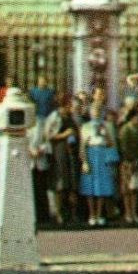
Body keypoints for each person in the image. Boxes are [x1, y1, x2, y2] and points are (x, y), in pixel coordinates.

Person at [79, 101, 119, 227]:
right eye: (94, 111)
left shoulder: (106, 125)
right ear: (90, 113)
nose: (96, 113)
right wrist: (84, 161)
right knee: (90, 185)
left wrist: (105, 134)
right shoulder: (85, 126)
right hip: (91, 153)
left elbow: (111, 144)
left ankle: (99, 214)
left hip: (102, 155)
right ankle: (91, 214)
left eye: (98, 111)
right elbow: (82, 145)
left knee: (102, 185)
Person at [43, 96, 80, 224]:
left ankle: (73, 213)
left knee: (72, 182)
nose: (70, 108)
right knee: (60, 182)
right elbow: (48, 135)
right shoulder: (54, 117)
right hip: (59, 150)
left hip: (71, 150)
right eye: (67, 106)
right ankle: (58, 214)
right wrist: (64, 135)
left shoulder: (71, 118)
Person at [117, 103, 138, 225]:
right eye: (137, 118)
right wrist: (130, 160)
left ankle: (134, 213)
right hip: (127, 162)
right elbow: (123, 147)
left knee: (135, 189)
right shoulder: (125, 129)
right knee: (127, 189)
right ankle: (128, 213)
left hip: (137, 161)